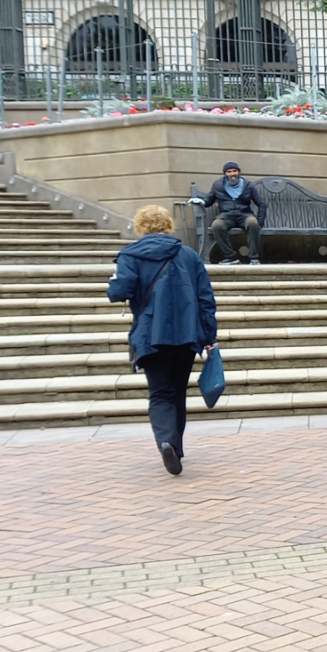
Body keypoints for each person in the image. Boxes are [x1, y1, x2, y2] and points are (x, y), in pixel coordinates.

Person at [107, 205, 218, 476]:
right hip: (186, 333)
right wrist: (209, 336)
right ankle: (175, 446)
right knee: (178, 390)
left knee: (160, 392)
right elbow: (206, 299)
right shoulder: (189, 255)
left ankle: (166, 441)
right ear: (168, 224)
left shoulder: (130, 255)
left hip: (150, 333)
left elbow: (119, 291)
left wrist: (113, 282)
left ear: (140, 226)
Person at [196, 161, 265, 264]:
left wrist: (260, 221)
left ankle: (254, 258)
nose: (232, 174)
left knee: (253, 223)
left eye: (234, 171)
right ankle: (230, 256)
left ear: (239, 172)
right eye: (229, 171)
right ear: (225, 173)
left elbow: (262, 203)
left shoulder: (248, 185)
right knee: (217, 225)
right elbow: (209, 200)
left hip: (244, 214)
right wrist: (201, 202)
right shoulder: (217, 185)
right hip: (226, 215)